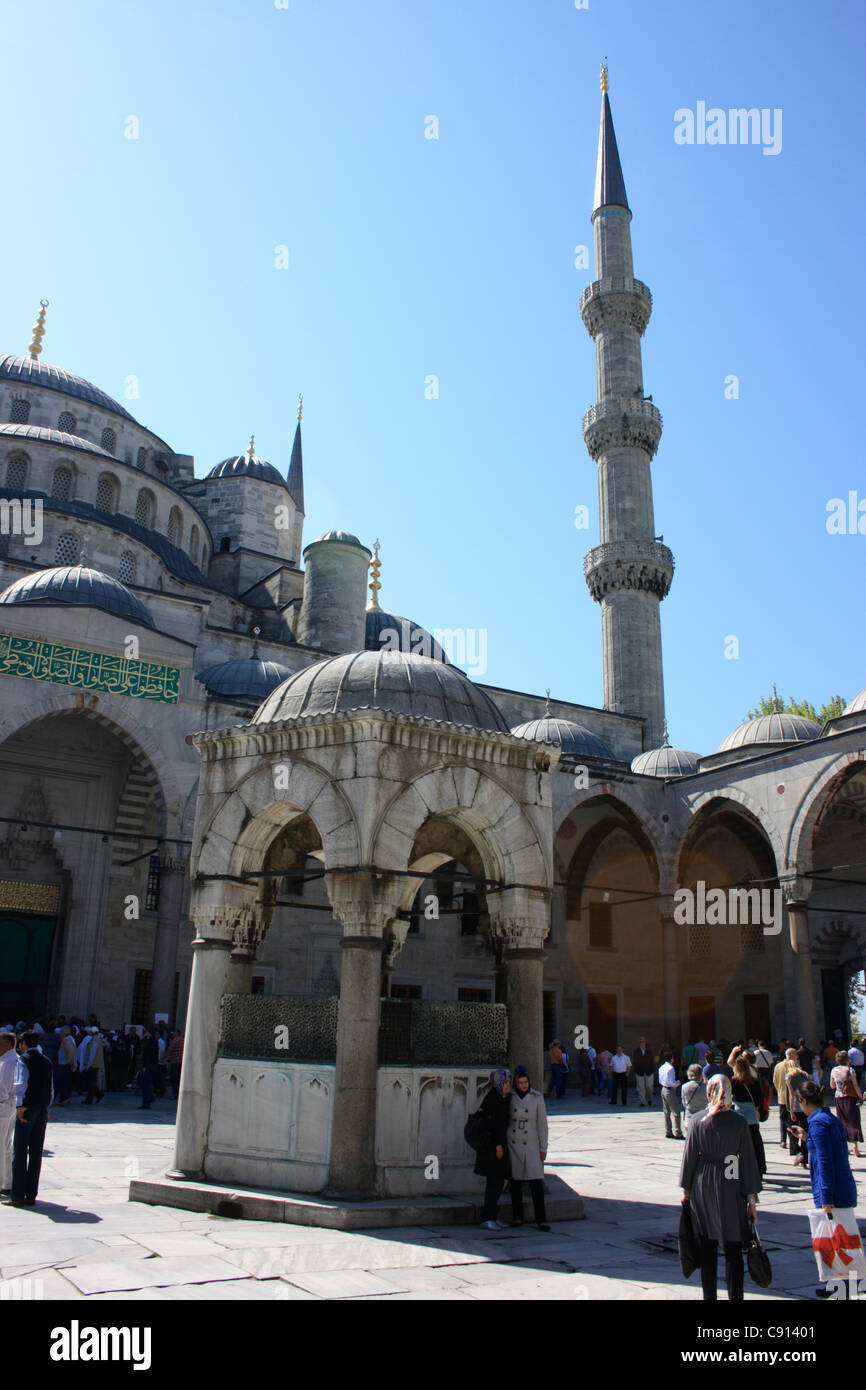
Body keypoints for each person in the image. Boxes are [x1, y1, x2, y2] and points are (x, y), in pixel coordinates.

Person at [679, 1074, 761, 1301]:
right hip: (731, 1181)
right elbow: (747, 1162)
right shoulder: (739, 1122)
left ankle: (710, 1297)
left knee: (707, 1247)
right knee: (733, 1248)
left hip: (702, 1182)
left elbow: (689, 1159)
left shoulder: (697, 1121)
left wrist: (686, 1192)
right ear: (729, 1091)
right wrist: (752, 1201)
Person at [788, 1080, 859, 1300]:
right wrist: (805, 1137)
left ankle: (845, 1290)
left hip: (833, 1191)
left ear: (803, 1100)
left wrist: (826, 1195)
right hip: (842, 1187)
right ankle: (836, 1286)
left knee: (842, 1243)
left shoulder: (818, 1124)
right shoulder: (828, 1119)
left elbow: (826, 1161)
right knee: (841, 1242)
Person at [2, 1031, 54, 1207]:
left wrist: (20, 1106)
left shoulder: (22, 1060)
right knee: (36, 1153)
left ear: (23, 1043)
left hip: (27, 1108)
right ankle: (31, 1194)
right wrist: (47, 1107)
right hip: (41, 1109)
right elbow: (50, 1088)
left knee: (20, 1151)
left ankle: (17, 1196)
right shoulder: (46, 1061)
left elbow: (20, 1083)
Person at [507, 1064, 550, 1231]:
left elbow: (542, 1124)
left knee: (536, 1182)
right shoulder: (510, 1097)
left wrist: (543, 1147)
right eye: (521, 1082)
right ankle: (518, 1217)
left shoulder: (536, 1097)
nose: (524, 1085)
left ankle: (541, 1219)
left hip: (531, 1143)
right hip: (514, 1142)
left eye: (526, 1082)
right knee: (515, 1183)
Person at [474, 1069, 512, 1230]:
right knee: (494, 1183)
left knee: (498, 1183)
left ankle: (493, 1216)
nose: (507, 1086)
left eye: (509, 1082)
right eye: (505, 1082)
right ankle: (487, 1217)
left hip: (500, 1145)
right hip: (492, 1148)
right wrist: (497, 1145)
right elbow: (491, 1125)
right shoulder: (492, 1099)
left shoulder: (501, 1098)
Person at [730, 1051, 766, 1177]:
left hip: (739, 1115)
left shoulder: (734, 1081)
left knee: (737, 1144)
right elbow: (760, 1099)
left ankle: (734, 1171)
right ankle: (760, 1169)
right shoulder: (754, 1081)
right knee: (756, 1142)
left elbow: (730, 1098)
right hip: (752, 1114)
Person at [830, 1050, 863, 1159]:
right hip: (850, 1098)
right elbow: (855, 1085)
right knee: (853, 1121)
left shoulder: (833, 1070)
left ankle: (844, 1146)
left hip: (839, 1098)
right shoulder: (850, 1070)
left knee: (842, 1121)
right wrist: (860, 1097)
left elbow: (832, 1086)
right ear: (847, 1060)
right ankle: (855, 1145)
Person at [785, 1055, 811, 1167]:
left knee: (792, 1130)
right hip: (805, 1106)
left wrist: (791, 1111)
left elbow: (791, 1096)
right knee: (805, 1131)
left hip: (795, 1107)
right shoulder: (805, 1075)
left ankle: (798, 1151)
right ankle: (804, 1158)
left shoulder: (788, 1077)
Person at [0, 1030, 17, 1197]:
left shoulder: (7, 1062)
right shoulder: (13, 1059)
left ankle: (3, 1183)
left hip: (3, 1108)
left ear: (6, 1045)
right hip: (10, 1107)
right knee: (5, 1146)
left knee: (2, 1146)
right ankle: (6, 1182)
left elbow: (2, 1090)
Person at [658, 1050, 683, 1138]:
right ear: (671, 1059)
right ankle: (678, 1132)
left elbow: (660, 1079)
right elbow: (672, 1082)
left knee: (666, 1111)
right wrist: (677, 1083)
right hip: (670, 1090)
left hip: (663, 1089)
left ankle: (668, 1131)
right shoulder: (671, 1068)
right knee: (676, 1112)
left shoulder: (661, 1067)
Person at [681, 1064, 707, 1133]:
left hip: (689, 1118)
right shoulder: (706, 1087)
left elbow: (684, 1103)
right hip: (703, 1117)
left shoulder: (684, 1086)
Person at [138, 1028, 159, 1109]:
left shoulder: (151, 1041)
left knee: (146, 1084)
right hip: (151, 1065)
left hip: (149, 1065)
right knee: (145, 1083)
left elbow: (149, 1055)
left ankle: (147, 1101)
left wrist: (145, 1066)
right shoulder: (152, 1040)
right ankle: (149, 1098)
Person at [55, 1025, 76, 1106]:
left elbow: (71, 1051)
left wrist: (68, 1061)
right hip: (64, 1064)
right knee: (63, 1082)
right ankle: (64, 1098)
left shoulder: (67, 1040)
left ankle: (64, 1098)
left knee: (58, 1081)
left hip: (63, 1064)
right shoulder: (70, 1039)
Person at [633, 1038, 655, 1107]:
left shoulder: (649, 1051)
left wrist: (652, 1070)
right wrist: (636, 1070)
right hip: (640, 1071)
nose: (642, 1043)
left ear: (645, 1043)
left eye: (643, 1042)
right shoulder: (636, 1051)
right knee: (641, 1087)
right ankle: (642, 1101)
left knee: (649, 1086)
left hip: (649, 1071)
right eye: (641, 1042)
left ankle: (650, 1099)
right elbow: (635, 1061)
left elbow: (652, 1061)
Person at [168, 1030, 185, 1099]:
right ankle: (179, 1093)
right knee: (179, 1079)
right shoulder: (183, 1040)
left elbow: (170, 1050)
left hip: (175, 1062)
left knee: (174, 1079)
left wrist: (163, 1058)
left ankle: (175, 1094)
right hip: (181, 1062)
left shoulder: (174, 1041)